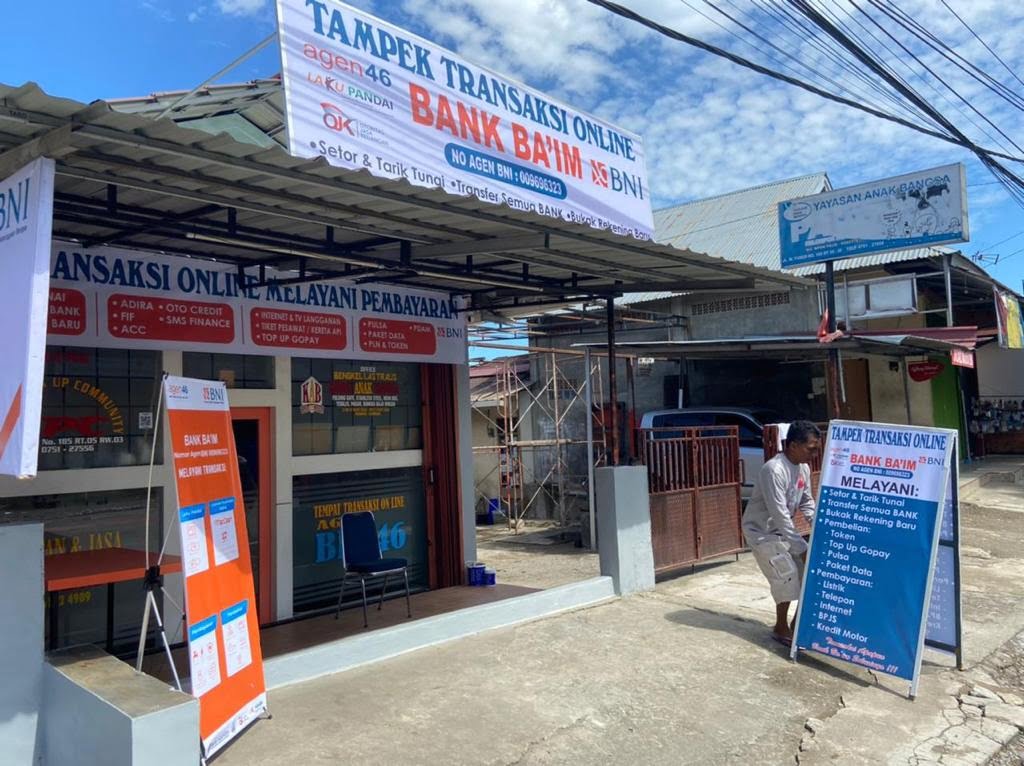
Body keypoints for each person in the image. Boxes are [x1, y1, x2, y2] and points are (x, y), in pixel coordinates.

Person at [742, 420, 821, 647]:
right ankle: (780, 627)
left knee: (808, 575)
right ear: (793, 445)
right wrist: (801, 547)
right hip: (762, 533)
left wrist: (818, 524)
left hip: (783, 533)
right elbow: (780, 514)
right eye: (811, 448)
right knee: (786, 575)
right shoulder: (774, 470)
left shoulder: (803, 468)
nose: (815, 454)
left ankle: (797, 625)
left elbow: (806, 501)